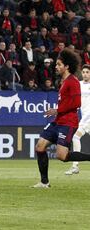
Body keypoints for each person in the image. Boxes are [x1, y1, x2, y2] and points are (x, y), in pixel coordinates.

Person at [32, 48, 90, 188]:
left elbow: (77, 104)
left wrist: (57, 110)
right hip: (58, 121)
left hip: (68, 123)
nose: (56, 67)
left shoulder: (73, 81)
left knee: (62, 156)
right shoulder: (63, 81)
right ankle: (44, 182)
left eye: (59, 64)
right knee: (40, 147)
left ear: (67, 66)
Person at [65, 64, 90, 175]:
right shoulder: (79, 85)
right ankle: (75, 166)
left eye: (87, 72)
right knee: (75, 137)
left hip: (87, 118)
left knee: (75, 137)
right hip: (84, 117)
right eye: (83, 72)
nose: (85, 74)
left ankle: (75, 166)